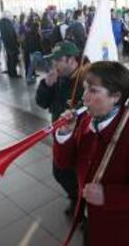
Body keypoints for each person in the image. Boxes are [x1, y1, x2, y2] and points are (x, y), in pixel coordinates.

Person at [54, 61, 129, 246]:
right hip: (91, 223)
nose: (84, 97)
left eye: (93, 91)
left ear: (115, 96)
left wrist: (107, 195)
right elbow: (64, 163)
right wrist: (65, 134)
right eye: (85, 88)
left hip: (123, 233)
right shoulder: (86, 122)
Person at [35, 41, 84, 216]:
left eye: (58, 60)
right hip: (60, 135)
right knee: (61, 172)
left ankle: (84, 208)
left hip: (79, 138)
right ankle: (76, 199)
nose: (53, 65)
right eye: (53, 60)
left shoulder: (85, 80)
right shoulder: (56, 78)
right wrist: (46, 85)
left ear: (71, 60)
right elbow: (42, 103)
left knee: (76, 173)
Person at [0, 11, 20, 78]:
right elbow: (11, 34)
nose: (11, 17)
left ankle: (10, 72)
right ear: (7, 16)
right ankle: (13, 73)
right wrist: (16, 44)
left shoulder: (2, 23)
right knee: (13, 59)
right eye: (10, 15)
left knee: (10, 59)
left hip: (7, 44)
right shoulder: (7, 23)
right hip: (11, 44)